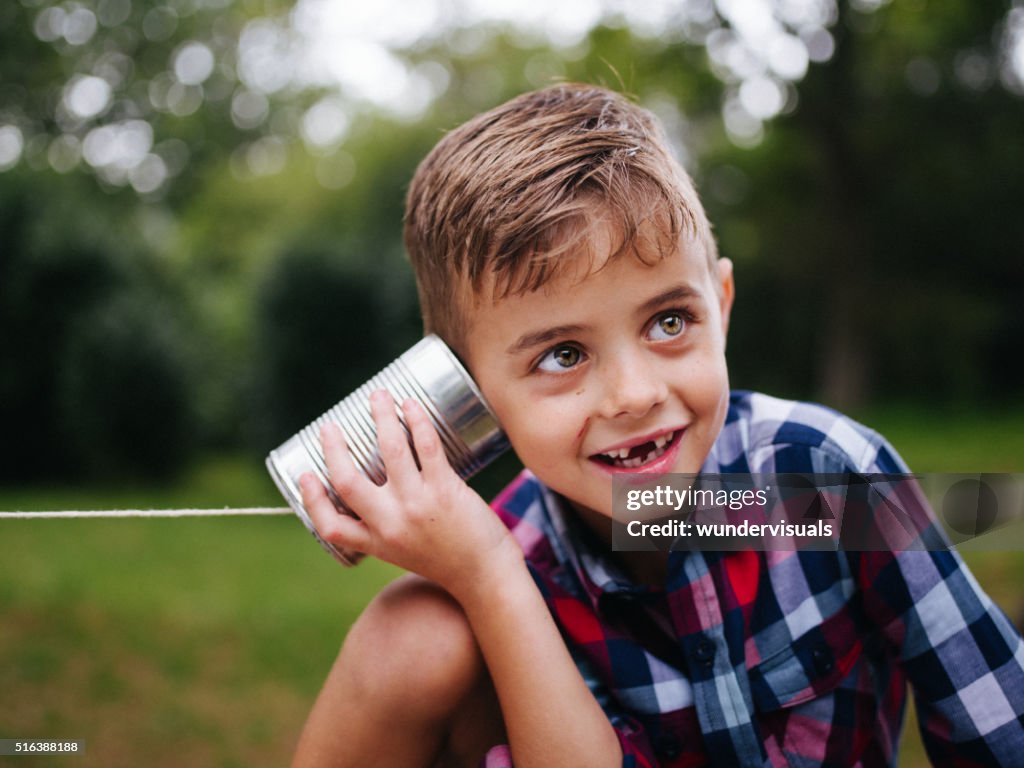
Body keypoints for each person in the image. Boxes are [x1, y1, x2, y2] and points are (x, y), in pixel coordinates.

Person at [290, 84, 1024, 767]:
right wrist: (489, 576)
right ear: (469, 392)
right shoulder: (521, 558)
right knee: (414, 630)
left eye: (669, 321)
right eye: (563, 354)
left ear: (722, 305)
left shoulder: (825, 481)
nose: (634, 394)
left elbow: (1001, 728)